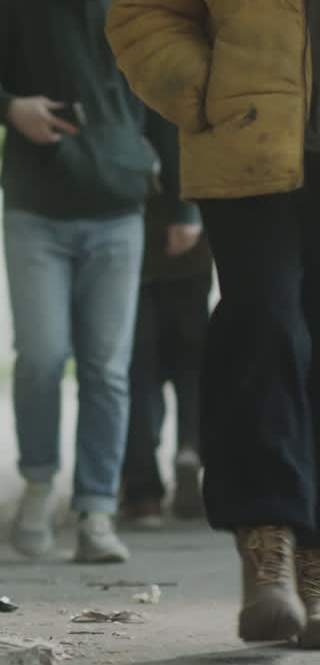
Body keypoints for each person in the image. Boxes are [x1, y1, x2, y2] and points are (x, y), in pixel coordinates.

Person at [0, 0, 199, 563]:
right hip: (35, 214)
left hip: (119, 214)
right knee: (42, 355)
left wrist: (184, 205)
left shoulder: (139, 5)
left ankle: (98, 512)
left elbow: (164, 110)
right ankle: (37, 488)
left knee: (107, 368)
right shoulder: (18, 5)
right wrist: (12, 108)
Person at [107, 0, 320, 645]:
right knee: (264, 322)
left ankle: (316, 565)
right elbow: (141, 12)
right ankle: (268, 541)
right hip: (251, 143)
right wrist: (204, 91)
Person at [120, 187, 211, 528]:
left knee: (139, 370)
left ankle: (143, 492)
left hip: (134, 249)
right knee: (192, 363)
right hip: (189, 247)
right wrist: (189, 214)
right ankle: (190, 446)